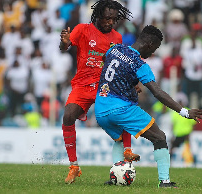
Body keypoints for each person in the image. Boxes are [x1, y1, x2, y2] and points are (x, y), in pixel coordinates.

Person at [95, 25, 202, 188]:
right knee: (160, 137)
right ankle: (165, 181)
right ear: (148, 44)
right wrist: (184, 111)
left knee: (119, 138)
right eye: (155, 47)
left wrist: (130, 83)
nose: (153, 53)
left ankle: (117, 178)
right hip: (121, 108)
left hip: (100, 108)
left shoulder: (116, 49)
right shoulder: (139, 64)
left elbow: (107, 64)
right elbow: (158, 93)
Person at [59, 0, 138, 184]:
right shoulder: (82, 30)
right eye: (107, 18)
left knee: (124, 107)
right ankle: (74, 166)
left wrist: (130, 82)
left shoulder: (117, 38)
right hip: (82, 85)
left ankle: (127, 150)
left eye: (113, 19)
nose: (110, 22)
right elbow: (65, 46)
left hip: (105, 86)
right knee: (68, 116)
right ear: (98, 16)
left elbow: (119, 64)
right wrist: (63, 43)